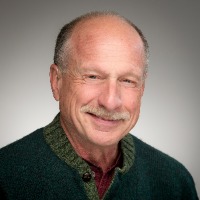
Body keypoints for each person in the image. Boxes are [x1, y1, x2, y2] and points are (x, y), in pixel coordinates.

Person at [0, 11, 198, 200]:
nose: (110, 102)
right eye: (93, 76)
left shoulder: (174, 182)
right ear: (56, 81)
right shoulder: (5, 175)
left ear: (142, 89)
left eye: (127, 81)